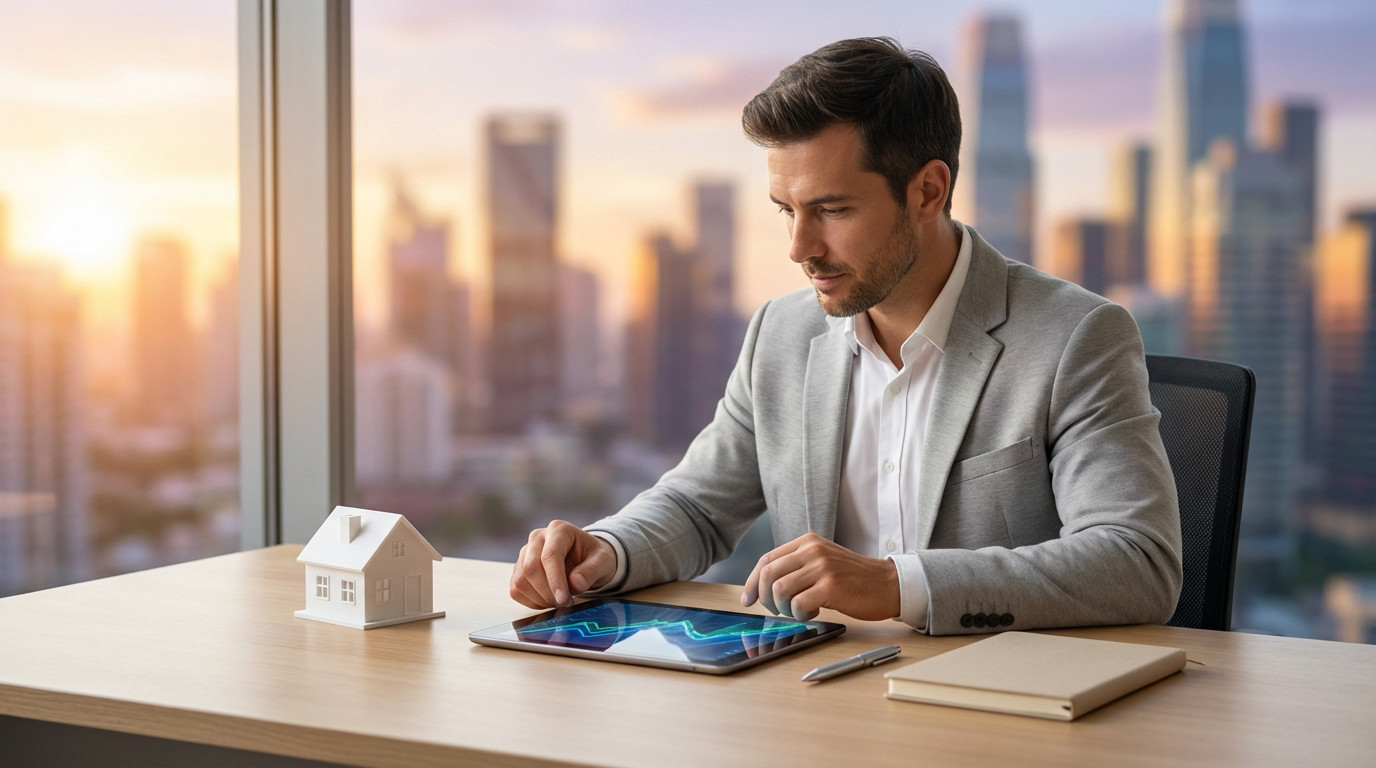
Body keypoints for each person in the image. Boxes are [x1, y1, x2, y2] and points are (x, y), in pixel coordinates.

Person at [509, 37, 1182, 635]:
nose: (801, 247)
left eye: (831, 210)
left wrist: (896, 585)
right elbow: (697, 507)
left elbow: (1137, 559)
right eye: (787, 211)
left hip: (1002, 711)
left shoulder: (1075, 337)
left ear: (927, 191)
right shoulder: (781, 333)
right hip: (823, 703)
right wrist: (608, 549)